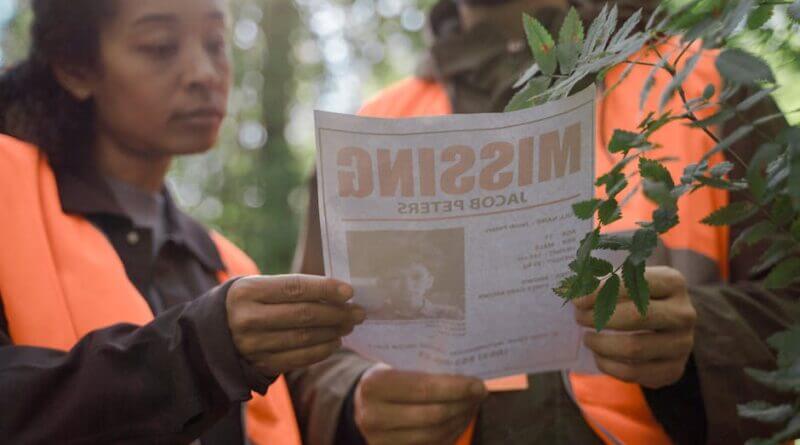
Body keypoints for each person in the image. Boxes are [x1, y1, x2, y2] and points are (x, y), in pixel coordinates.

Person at [291, 0, 800, 443]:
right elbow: (304, 359)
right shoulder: (365, 135)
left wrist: (700, 343)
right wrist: (356, 403)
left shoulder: (705, 86)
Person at [0, 0, 367, 443]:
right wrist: (197, 353)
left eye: (215, 44)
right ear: (75, 68)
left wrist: (359, 411)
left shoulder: (229, 266)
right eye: (159, 47)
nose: (204, 73)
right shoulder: (9, 197)